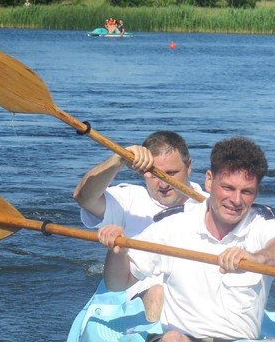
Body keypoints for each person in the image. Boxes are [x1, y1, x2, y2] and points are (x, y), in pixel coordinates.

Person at [98, 136, 275, 342]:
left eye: (246, 191)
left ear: (256, 192)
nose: (236, 200)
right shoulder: (171, 224)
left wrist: (257, 259)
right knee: (175, 341)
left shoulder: (264, 224)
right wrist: (118, 251)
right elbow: (117, 283)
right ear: (209, 181)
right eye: (228, 188)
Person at [73, 131, 203, 320]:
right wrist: (118, 158)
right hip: (139, 295)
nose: (163, 183)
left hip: (196, 295)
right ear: (142, 171)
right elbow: (83, 197)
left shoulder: (211, 207)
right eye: (153, 174)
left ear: (189, 166)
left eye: (171, 173)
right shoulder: (128, 199)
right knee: (158, 293)